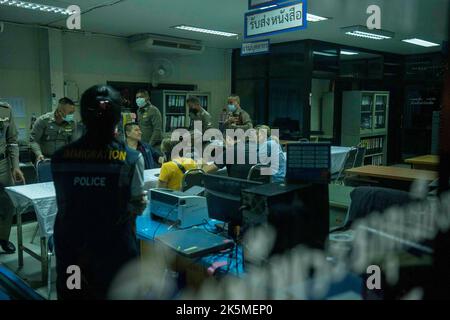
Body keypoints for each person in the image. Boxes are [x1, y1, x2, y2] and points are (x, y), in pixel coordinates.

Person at [51, 85, 147, 300]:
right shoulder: (131, 159)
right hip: (115, 253)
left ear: (83, 115)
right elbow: (137, 205)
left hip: (72, 251)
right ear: (116, 118)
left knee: (73, 295)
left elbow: (65, 201)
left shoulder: (60, 157)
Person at [0, 101, 25, 254]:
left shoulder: (5, 109)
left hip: (2, 164)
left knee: (6, 204)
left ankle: (3, 238)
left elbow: (12, 142)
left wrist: (15, 166)